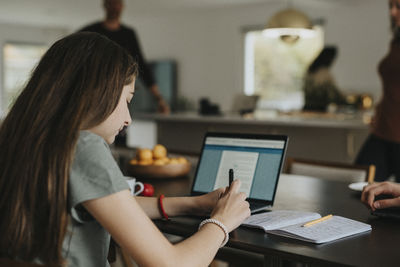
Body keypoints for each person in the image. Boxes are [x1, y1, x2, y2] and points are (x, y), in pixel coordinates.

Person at [0, 32, 250, 267]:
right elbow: (171, 264)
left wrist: (192, 204)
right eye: (127, 100)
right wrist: (221, 222)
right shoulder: (83, 146)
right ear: (97, 92)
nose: (128, 118)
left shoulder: (21, 138)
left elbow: (109, 205)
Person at [79, 0, 170, 114]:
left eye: (118, 4)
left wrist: (159, 99)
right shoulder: (90, 31)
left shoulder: (128, 35)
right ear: (105, 5)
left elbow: (141, 65)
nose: (115, 7)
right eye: (112, 3)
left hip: (119, 95)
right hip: (93, 95)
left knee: (120, 128)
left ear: (122, 7)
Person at [355, 0, 400, 182]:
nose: (392, 12)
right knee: (360, 185)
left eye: (398, 7)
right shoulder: (396, 41)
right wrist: (380, 111)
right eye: (391, 7)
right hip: (383, 128)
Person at [302, 46, 345, 112]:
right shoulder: (324, 73)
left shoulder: (310, 71)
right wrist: (347, 102)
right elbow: (333, 94)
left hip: (307, 108)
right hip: (318, 110)